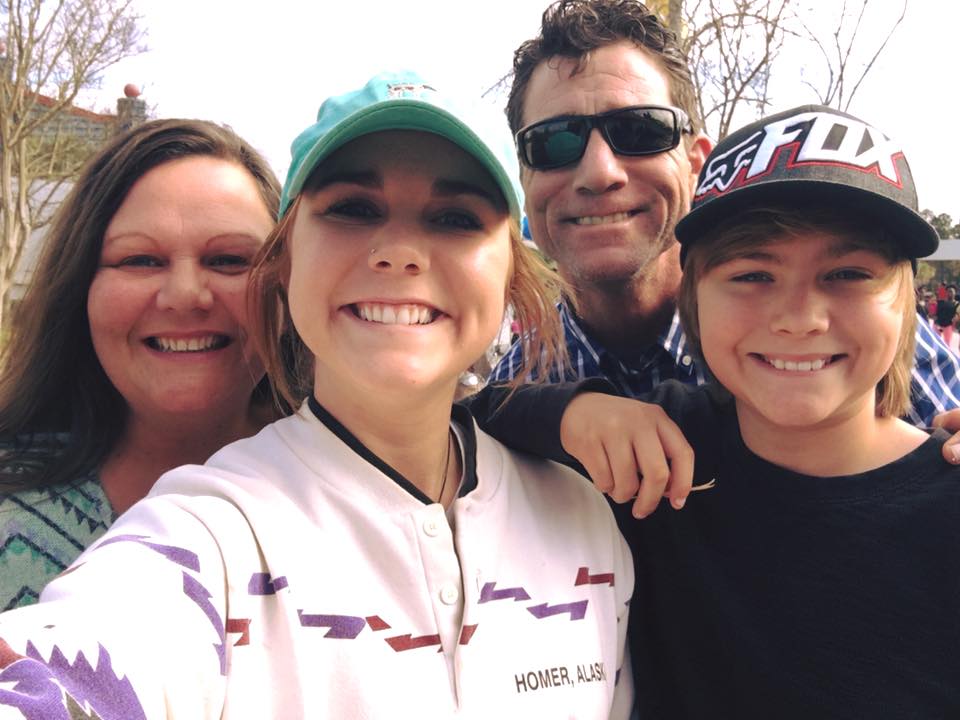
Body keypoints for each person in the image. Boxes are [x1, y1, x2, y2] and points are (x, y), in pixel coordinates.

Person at [0, 71, 634, 719]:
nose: (399, 252)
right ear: (283, 263)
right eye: (352, 209)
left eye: (455, 218)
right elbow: (72, 673)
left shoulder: (584, 521)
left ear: (512, 274)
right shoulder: (205, 538)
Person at [492, 104, 960, 717]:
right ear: (692, 299)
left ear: (905, 302)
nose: (799, 318)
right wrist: (575, 412)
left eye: (847, 273)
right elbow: (472, 419)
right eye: (752, 275)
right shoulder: (659, 455)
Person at [489, 0, 960, 428]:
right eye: (552, 143)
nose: (599, 172)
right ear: (524, 180)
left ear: (696, 164)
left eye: (639, 130)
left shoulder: (858, 327)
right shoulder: (509, 393)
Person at [0, 120, 281, 611]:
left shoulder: (367, 494)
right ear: (81, 287)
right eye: (141, 260)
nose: (185, 295)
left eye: (230, 260)